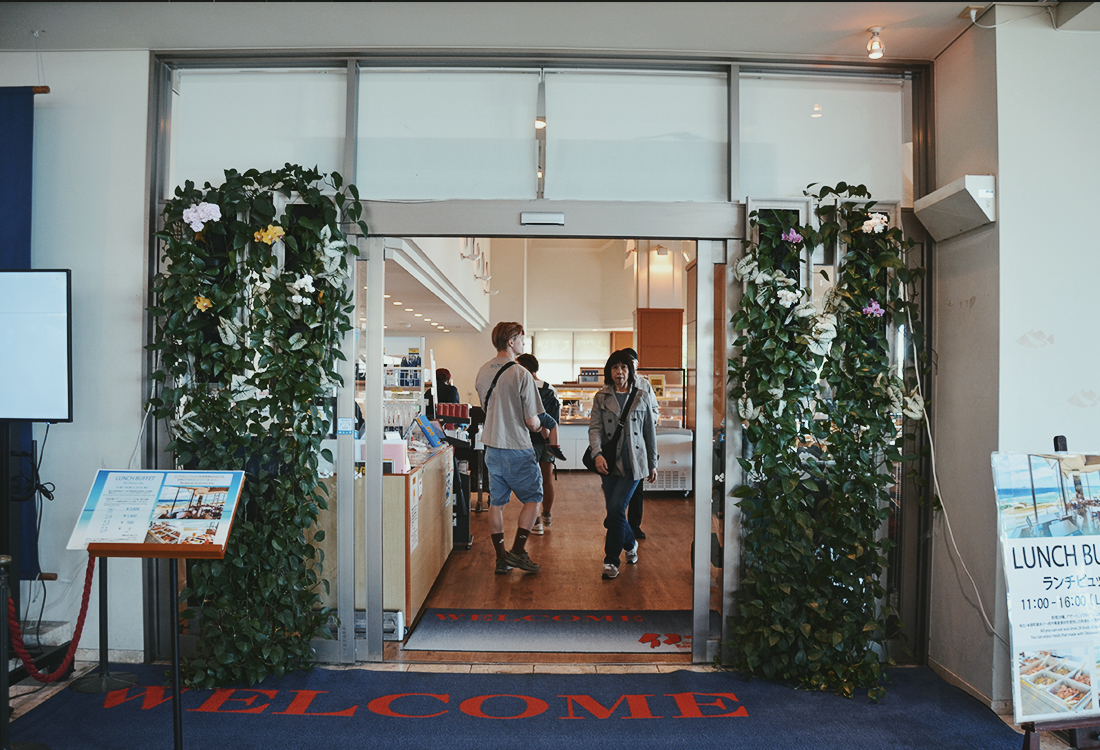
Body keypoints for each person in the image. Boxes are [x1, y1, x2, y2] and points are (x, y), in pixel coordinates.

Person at [475, 322, 555, 575]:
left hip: (491, 447)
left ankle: (501, 559)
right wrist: (541, 425)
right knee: (533, 498)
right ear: (511, 341)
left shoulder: (483, 371)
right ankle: (518, 552)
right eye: (521, 338)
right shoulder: (521, 374)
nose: (524, 343)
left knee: (496, 503)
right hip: (517, 446)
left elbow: (488, 409)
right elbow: (532, 422)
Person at [589, 349, 658, 580]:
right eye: (615, 368)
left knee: (616, 509)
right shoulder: (601, 397)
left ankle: (611, 561)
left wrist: (652, 463)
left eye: (624, 367)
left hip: (634, 464)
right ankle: (630, 544)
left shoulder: (642, 395)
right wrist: (597, 454)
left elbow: (649, 431)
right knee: (615, 510)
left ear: (631, 371)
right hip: (609, 463)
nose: (620, 372)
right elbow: (595, 429)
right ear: (610, 371)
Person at [516, 353, 568, 535]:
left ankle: (536, 520)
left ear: (525, 369)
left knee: (530, 481)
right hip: (546, 440)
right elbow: (555, 419)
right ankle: (546, 514)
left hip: (525, 441)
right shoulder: (550, 389)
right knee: (546, 479)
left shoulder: (521, 388)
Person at [620, 348, 656, 540]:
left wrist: (648, 424)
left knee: (637, 488)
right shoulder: (614, 384)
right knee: (618, 486)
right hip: (618, 443)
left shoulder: (644, 385)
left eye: (631, 363)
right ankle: (617, 520)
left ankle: (634, 525)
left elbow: (653, 410)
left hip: (638, 442)